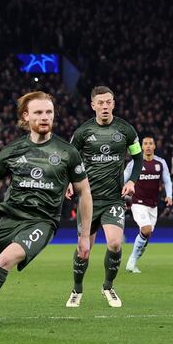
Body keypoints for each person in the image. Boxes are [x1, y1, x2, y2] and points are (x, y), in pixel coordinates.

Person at [0, 91, 92, 331]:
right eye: (38, 112)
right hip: (9, 220)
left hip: (41, 222)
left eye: (49, 112)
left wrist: (84, 236)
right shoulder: (13, 151)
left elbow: (84, 193)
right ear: (26, 116)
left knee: (5, 260)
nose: (45, 117)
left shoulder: (67, 152)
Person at [65, 86, 142, 308]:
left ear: (114, 104)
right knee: (84, 249)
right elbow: (69, 159)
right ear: (93, 106)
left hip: (113, 199)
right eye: (101, 103)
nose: (105, 106)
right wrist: (70, 182)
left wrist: (131, 181)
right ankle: (77, 290)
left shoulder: (126, 130)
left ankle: (108, 287)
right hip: (88, 200)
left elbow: (137, 159)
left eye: (109, 102)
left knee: (115, 243)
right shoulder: (82, 132)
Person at [123, 133, 172, 273]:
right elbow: (123, 178)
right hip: (137, 202)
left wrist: (169, 196)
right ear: (141, 147)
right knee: (146, 229)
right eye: (145, 144)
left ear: (154, 146)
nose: (148, 146)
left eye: (151, 143)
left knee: (147, 235)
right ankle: (131, 261)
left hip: (153, 204)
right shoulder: (134, 163)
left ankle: (133, 263)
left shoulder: (160, 162)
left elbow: (167, 180)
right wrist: (121, 193)